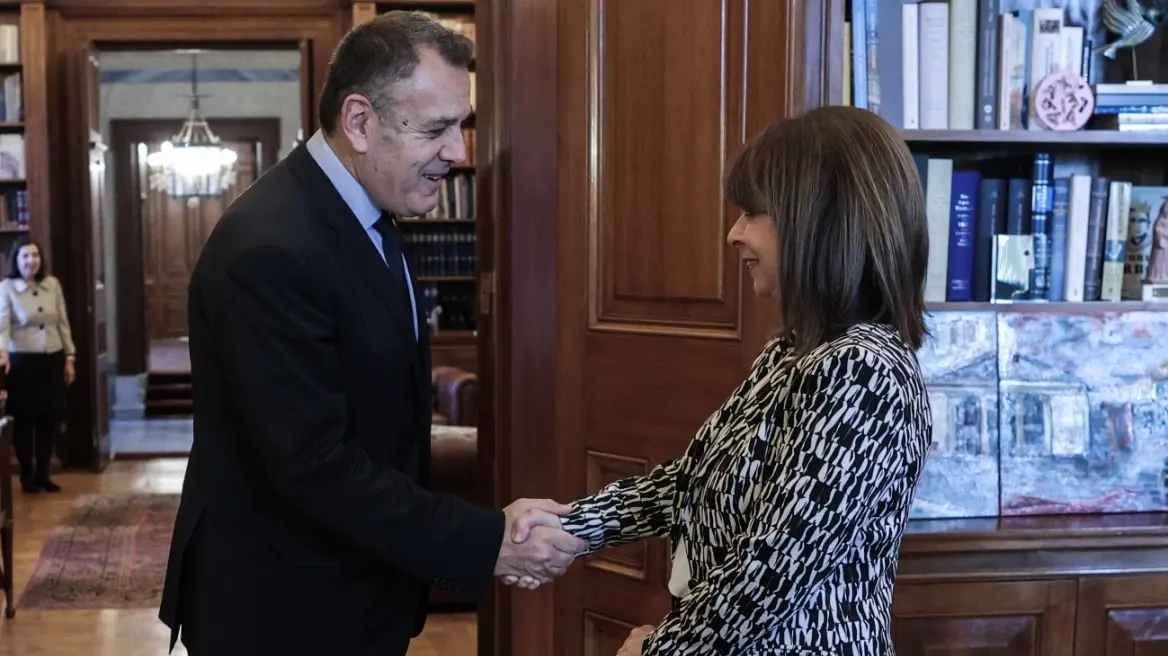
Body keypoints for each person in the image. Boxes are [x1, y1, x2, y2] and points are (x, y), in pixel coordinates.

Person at [158, 11, 586, 656]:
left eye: (462, 125)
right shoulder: (270, 247)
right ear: (359, 122)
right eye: (437, 128)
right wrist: (486, 540)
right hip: (281, 611)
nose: (459, 152)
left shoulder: (363, 211)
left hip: (353, 590)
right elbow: (311, 466)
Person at [508, 106, 934, 655]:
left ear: (823, 222)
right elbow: (693, 480)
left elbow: (774, 568)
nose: (734, 234)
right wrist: (573, 526)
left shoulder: (865, 373)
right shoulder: (793, 352)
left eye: (753, 213)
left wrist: (659, 651)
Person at [0, 237, 75, 494]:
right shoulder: (7, 288)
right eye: (25, 256)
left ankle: (44, 473)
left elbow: (62, 322)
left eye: (35, 256)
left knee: (49, 418)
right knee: (24, 420)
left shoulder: (52, 285)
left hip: (51, 359)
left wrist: (70, 357)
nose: (31, 261)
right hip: (23, 363)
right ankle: (27, 475)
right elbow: (2, 325)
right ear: (16, 260)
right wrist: (2, 353)